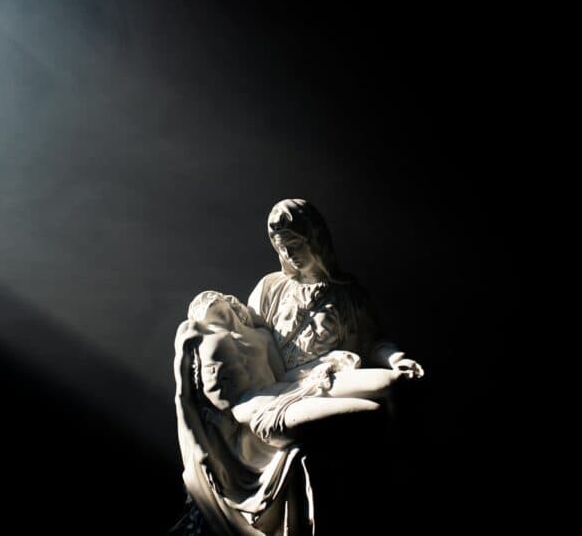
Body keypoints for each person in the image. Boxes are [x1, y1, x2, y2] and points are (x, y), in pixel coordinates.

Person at [174, 291, 408, 535]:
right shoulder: (195, 335)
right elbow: (184, 398)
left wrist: (326, 364)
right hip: (260, 413)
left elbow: (283, 376)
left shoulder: (260, 336)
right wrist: (199, 449)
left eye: (215, 303)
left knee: (390, 382)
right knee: (371, 412)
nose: (210, 308)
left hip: (289, 391)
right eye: (205, 308)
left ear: (230, 304)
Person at [247, 199, 424, 377]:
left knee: (386, 385)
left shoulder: (349, 295)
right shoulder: (270, 288)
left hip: (329, 381)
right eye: (282, 248)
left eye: (294, 245)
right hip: (278, 382)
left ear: (315, 241)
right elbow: (247, 339)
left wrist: (397, 360)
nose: (289, 255)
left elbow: (372, 344)